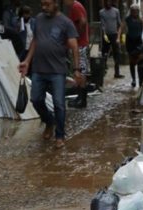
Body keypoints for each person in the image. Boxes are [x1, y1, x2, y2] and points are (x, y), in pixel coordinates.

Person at [19, 0, 82, 148]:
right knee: (36, 99)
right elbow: (35, 40)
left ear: (55, 4)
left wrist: (77, 69)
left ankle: (59, 135)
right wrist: (27, 61)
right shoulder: (39, 19)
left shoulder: (66, 22)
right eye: (42, 4)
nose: (43, 7)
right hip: (39, 68)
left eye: (47, 4)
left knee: (59, 104)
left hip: (57, 70)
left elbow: (74, 47)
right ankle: (49, 121)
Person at [64, 0, 90, 108]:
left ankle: (82, 100)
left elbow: (82, 22)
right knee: (79, 70)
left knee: (80, 70)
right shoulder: (75, 6)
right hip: (80, 44)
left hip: (80, 44)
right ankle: (80, 98)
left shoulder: (75, 7)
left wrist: (76, 37)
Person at [99, 0, 124, 79]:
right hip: (106, 35)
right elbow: (102, 25)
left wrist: (119, 36)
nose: (108, 3)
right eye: (107, 2)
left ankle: (117, 73)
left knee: (116, 54)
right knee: (104, 53)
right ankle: (102, 71)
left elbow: (120, 24)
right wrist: (104, 34)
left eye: (109, 1)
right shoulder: (101, 12)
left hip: (114, 35)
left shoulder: (116, 11)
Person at [123, 4, 143, 87]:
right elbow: (122, 27)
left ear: (138, 12)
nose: (135, 12)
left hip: (138, 41)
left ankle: (140, 79)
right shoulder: (127, 19)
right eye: (133, 11)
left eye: (136, 11)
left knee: (139, 60)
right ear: (131, 11)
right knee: (132, 61)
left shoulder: (141, 20)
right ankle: (133, 79)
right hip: (130, 41)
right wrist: (120, 37)